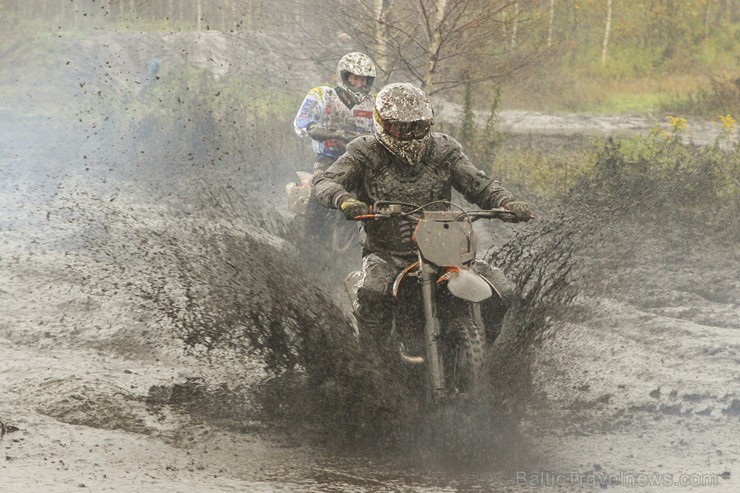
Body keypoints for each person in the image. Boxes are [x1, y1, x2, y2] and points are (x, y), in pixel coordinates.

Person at [312, 82, 532, 346]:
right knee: (372, 294)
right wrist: (345, 200)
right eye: (401, 127)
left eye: (417, 127)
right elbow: (324, 182)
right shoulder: (364, 152)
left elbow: (479, 185)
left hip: (445, 250)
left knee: (503, 291)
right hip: (387, 253)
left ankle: (485, 350)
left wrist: (507, 202)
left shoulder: (444, 151)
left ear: (428, 124)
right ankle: (373, 361)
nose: (410, 135)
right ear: (383, 124)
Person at [290, 52, 378, 242]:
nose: (359, 84)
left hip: (364, 162)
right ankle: (307, 242)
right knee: (318, 193)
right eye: (355, 78)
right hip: (329, 160)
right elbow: (303, 122)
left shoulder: (375, 102)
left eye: (364, 79)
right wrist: (334, 133)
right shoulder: (323, 95)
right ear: (345, 76)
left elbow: (384, 129)